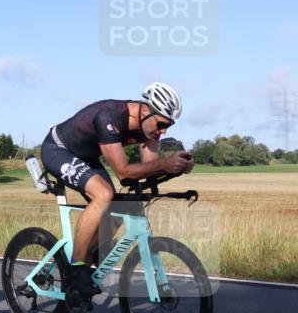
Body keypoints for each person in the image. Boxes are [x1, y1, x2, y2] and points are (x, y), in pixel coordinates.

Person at [40, 82, 194, 296]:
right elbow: (123, 172)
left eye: (169, 126)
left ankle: (88, 254)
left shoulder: (149, 129)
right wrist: (164, 163)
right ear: (147, 110)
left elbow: (148, 168)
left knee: (121, 206)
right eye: (161, 124)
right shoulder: (109, 116)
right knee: (103, 194)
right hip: (58, 149)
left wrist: (176, 169)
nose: (164, 130)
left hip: (87, 157)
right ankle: (76, 268)